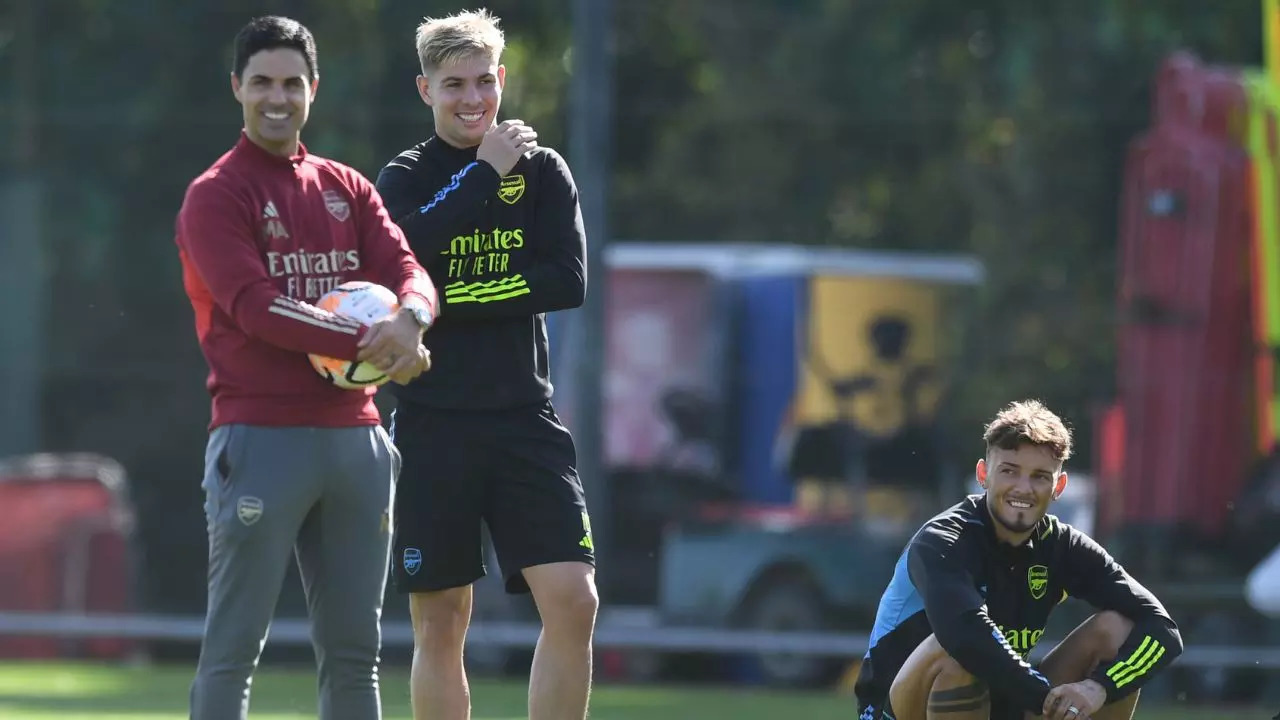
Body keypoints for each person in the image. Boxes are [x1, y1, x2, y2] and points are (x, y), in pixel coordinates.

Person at [175, 15, 438, 720]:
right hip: (261, 438)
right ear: (237, 87)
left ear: (313, 90)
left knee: (357, 659)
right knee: (233, 652)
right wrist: (380, 347)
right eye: (261, 81)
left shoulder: (346, 186)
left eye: (292, 82)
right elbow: (255, 307)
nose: (277, 97)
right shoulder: (215, 195)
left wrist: (411, 319)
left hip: (358, 443)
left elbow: (410, 270)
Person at [373, 9, 595, 720]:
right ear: (424, 89)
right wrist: (482, 174)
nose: (472, 100)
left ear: (502, 80)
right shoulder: (404, 174)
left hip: (524, 418)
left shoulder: (544, 170)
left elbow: (568, 281)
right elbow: (405, 257)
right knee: (441, 622)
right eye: (453, 85)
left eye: (483, 83)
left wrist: (447, 299)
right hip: (434, 423)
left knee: (574, 600)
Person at [854, 400, 1183, 720]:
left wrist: (1099, 688)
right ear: (984, 474)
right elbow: (963, 635)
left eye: (1040, 476)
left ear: (1059, 486)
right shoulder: (943, 539)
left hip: (1007, 703)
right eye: (1009, 471)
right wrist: (1048, 698)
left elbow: (1164, 630)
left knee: (1115, 630)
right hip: (898, 711)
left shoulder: (1061, 546)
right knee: (955, 652)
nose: (1023, 488)